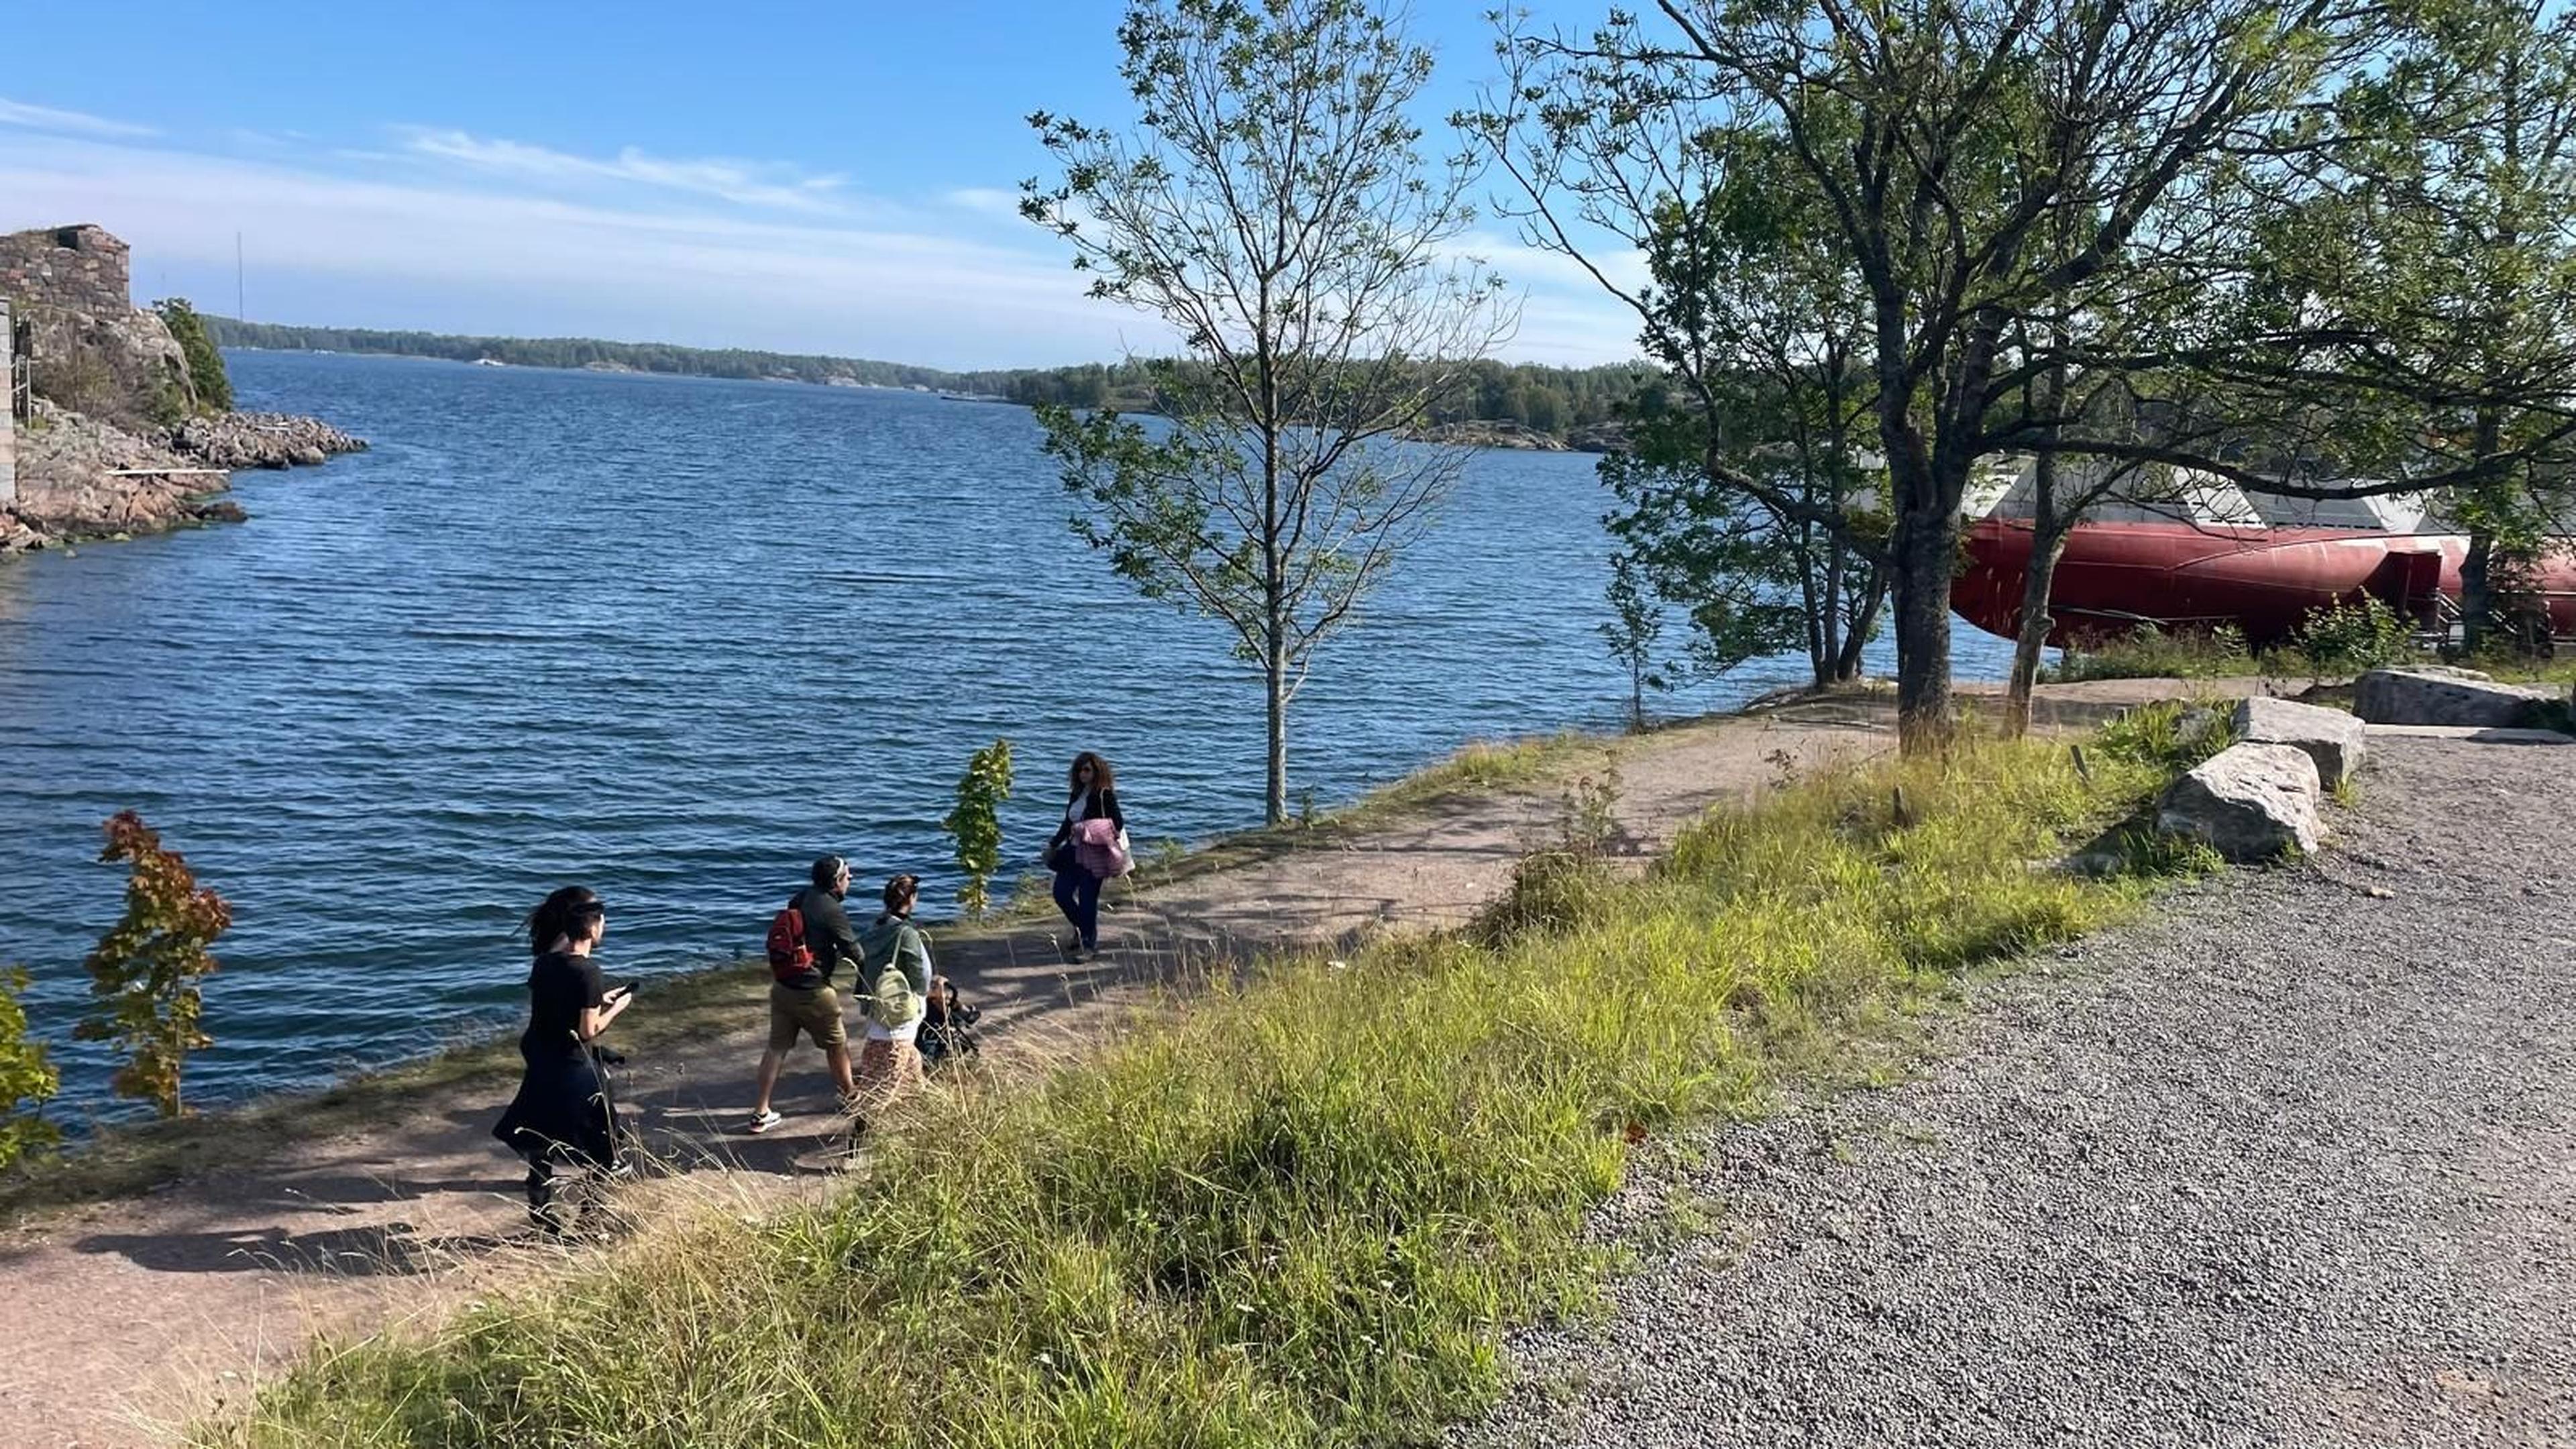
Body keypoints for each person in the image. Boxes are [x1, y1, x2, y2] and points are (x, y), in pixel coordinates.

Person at [492, 885, 633, 1236]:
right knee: (606, 1145)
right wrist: (615, 1007)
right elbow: (588, 1031)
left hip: (542, 1058)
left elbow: (556, 1003)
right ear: (592, 927)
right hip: (575, 1066)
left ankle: (542, 1213)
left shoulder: (545, 961)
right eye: (602, 920)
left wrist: (593, 998)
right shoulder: (588, 972)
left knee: (542, 1135)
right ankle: (590, 1220)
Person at [747, 854, 862, 1134]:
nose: (852, 879)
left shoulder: (799, 898)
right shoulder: (832, 911)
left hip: (784, 987)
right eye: (848, 875)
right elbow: (853, 950)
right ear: (837, 881)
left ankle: (761, 1112)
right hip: (815, 992)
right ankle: (851, 1099)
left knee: (776, 1048)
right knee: (837, 1045)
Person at [854, 873, 934, 1105]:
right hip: (900, 1009)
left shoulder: (873, 929)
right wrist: (926, 993)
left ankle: (922, 1103)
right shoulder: (906, 933)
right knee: (888, 1070)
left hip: (875, 1004)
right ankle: (865, 1125)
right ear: (912, 899)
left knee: (909, 1061)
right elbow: (920, 977)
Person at [1046, 751, 1125, 961]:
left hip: (1094, 853)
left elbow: (1117, 823)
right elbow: (1068, 823)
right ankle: (1082, 930)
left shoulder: (1104, 795)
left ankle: (1089, 945)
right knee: (1061, 893)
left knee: (1088, 899)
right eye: (1079, 770)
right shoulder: (1077, 793)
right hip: (1072, 852)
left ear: (1097, 771)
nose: (1082, 773)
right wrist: (1053, 844)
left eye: (1087, 769)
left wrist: (1088, 828)